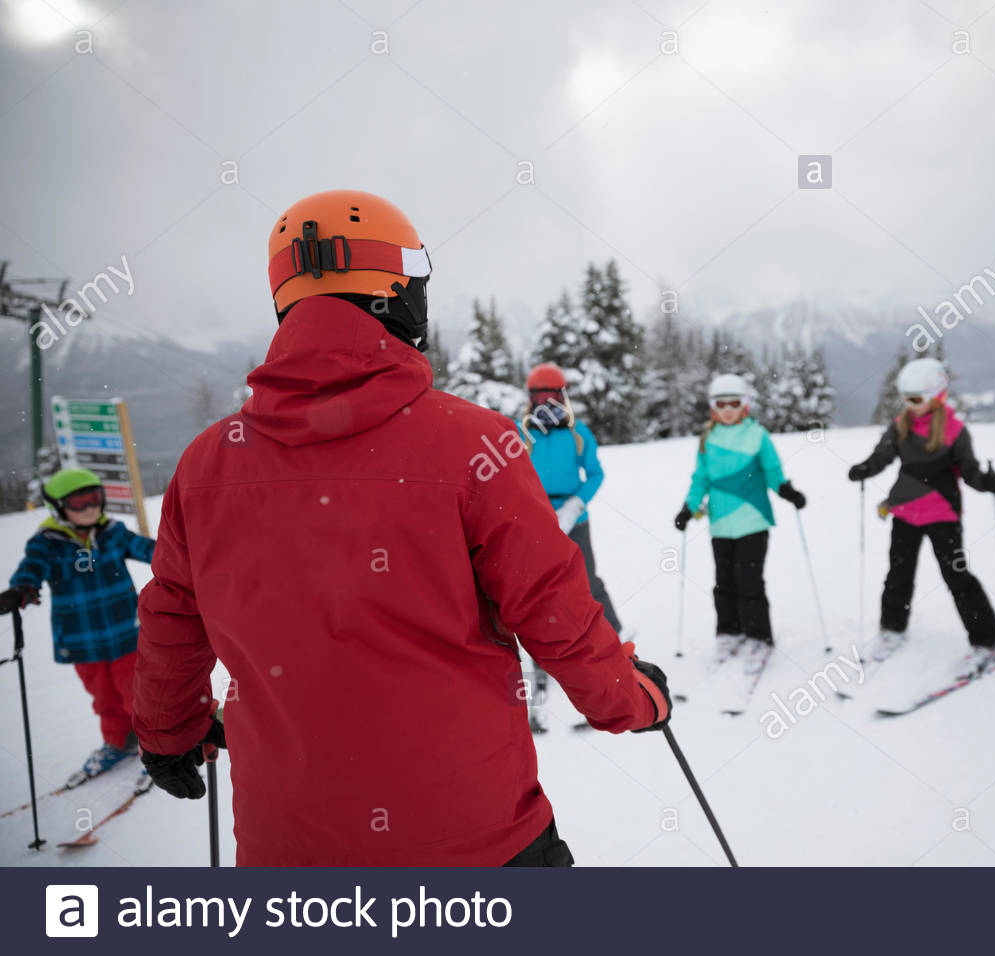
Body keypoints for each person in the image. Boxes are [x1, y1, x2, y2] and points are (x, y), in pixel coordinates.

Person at [131, 189, 671, 866]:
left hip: (288, 850)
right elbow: (553, 612)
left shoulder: (208, 462)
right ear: (394, 292)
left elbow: (174, 615)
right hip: (475, 842)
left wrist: (168, 731)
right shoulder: (475, 444)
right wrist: (633, 698)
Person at [847, 357, 995, 673]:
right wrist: (865, 468)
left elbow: (970, 471)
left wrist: (987, 482)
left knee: (957, 576)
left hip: (942, 515)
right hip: (905, 511)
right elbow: (882, 456)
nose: (910, 405)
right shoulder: (901, 426)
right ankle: (892, 629)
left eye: (916, 399)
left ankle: (989, 640)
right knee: (898, 574)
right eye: (905, 398)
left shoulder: (954, 431)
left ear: (937, 395)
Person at [1, 468, 155, 786]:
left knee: (137, 696)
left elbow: (154, 551)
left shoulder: (114, 532)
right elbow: (31, 570)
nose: (89, 508)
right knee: (104, 699)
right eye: (78, 502)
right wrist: (21, 591)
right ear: (58, 507)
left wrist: (187, 556)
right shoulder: (47, 543)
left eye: (95, 499)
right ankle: (118, 742)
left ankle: (153, 749)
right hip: (81, 643)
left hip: (126, 634)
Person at [517, 362, 622, 733]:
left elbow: (595, 473)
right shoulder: (522, 433)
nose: (547, 402)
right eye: (539, 396)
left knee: (585, 580)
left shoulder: (578, 433)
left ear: (564, 396)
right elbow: (511, 475)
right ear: (530, 399)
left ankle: (613, 640)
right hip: (537, 519)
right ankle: (542, 659)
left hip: (573, 517)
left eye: (553, 395)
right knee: (540, 590)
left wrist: (575, 504)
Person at [674, 373, 806, 661]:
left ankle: (759, 635)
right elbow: (701, 479)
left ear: (744, 405)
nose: (728, 410)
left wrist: (787, 491)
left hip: (752, 519)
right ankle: (729, 631)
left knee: (749, 580)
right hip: (720, 523)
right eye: (721, 404)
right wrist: (688, 507)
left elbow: (772, 472)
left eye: (734, 403)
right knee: (724, 582)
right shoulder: (708, 439)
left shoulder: (757, 435)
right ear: (713, 407)